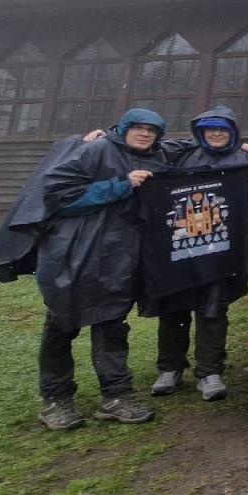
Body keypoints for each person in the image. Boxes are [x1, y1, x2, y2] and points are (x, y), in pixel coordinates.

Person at [34, 109, 167, 430]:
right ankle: (56, 399)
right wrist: (120, 185)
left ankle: (116, 395)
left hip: (120, 258)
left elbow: (197, 146)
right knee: (62, 325)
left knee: (112, 325)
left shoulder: (157, 156)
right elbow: (57, 192)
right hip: (74, 254)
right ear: (124, 128)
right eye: (138, 128)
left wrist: (246, 147)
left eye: (152, 130)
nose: (145, 134)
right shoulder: (97, 149)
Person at [149, 106, 248, 402]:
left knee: (212, 310)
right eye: (209, 129)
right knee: (174, 309)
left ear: (233, 133)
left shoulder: (246, 161)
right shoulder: (182, 157)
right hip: (181, 249)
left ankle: (210, 371)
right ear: (199, 132)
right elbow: (146, 150)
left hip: (222, 251)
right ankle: (170, 368)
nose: (215, 134)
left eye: (222, 129)